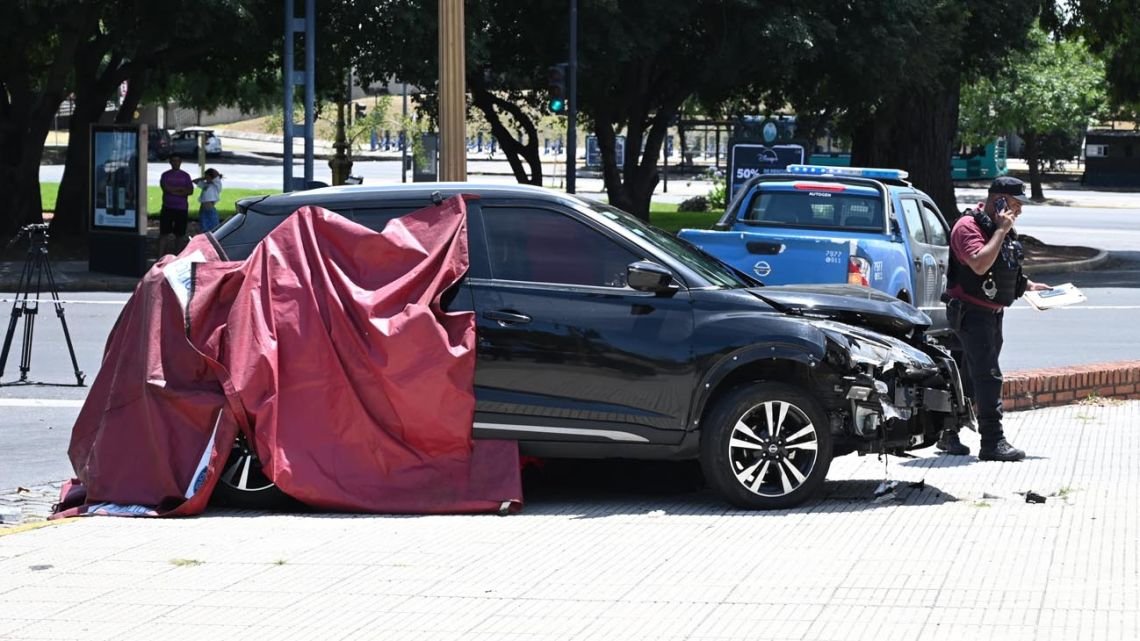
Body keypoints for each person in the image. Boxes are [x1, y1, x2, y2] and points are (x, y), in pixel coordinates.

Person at [937, 176, 1050, 461]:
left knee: (964, 376)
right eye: (1015, 204)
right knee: (988, 377)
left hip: (990, 314)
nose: (1019, 211)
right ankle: (992, 442)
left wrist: (1027, 286)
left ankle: (947, 433)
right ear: (998, 200)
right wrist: (1001, 230)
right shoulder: (968, 227)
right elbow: (979, 263)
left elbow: (1002, 268)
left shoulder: (1001, 229)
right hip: (970, 314)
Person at [159, 155, 193, 254]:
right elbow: (166, 188)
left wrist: (174, 191)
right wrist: (181, 190)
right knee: (164, 233)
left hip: (181, 209)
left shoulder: (186, 175)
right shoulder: (165, 175)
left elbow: (190, 191)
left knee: (180, 234)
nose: (176, 163)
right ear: (170, 162)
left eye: (178, 161)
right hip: (167, 207)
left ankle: (177, 255)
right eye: (174, 161)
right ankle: (160, 256)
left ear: (181, 162)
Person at [192, 168, 224, 233]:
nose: (206, 179)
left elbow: (216, 174)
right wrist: (204, 178)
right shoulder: (206, 185)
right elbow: (195, 181)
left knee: (214, 227)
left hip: (210, 210)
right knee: (204, 228)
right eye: (206, 177)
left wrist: (210, 174)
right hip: (203, 209)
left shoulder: (216, 185)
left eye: (208, 177)